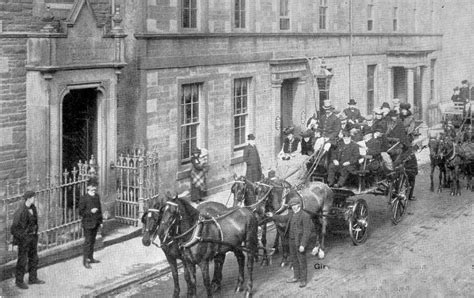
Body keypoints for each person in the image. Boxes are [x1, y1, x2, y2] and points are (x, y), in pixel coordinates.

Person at [267, 197, 314, 288]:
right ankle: (296, 277)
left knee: (302, 261)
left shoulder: (305, 216)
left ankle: (303, 280)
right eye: (291, 206)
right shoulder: (291, 214)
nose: (292, 207)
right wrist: (272, 216)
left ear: (298, 205)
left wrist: (303, 245)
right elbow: (283, 218)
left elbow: (307, 232)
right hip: (291, 241)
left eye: (294, 205)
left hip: (300, 242)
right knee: (294, 259)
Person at [10, 191, 45, 289]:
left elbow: (34, 222)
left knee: (34, 258)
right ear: (28, 198)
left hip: (33, 237)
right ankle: (19, 281)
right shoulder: (20, 211)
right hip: (24, 239)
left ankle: (33, 278)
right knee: (22, 260)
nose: (35, 199)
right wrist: (22, 237)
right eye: (33, 197)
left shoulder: (33, 208)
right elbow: (13, 229)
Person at [79, 177, 103, 269]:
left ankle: (91, 258)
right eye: (92, 187)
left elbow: (100, 209)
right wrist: (90, 211)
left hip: (96, 222)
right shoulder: (84, 198)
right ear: (88, 187)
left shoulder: (97, 196)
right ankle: (85, 261)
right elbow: (81, 212)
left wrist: (101, 221)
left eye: (95, 187)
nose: (94, 188)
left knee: (93, 241)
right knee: (88, 242)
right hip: (87, 223)